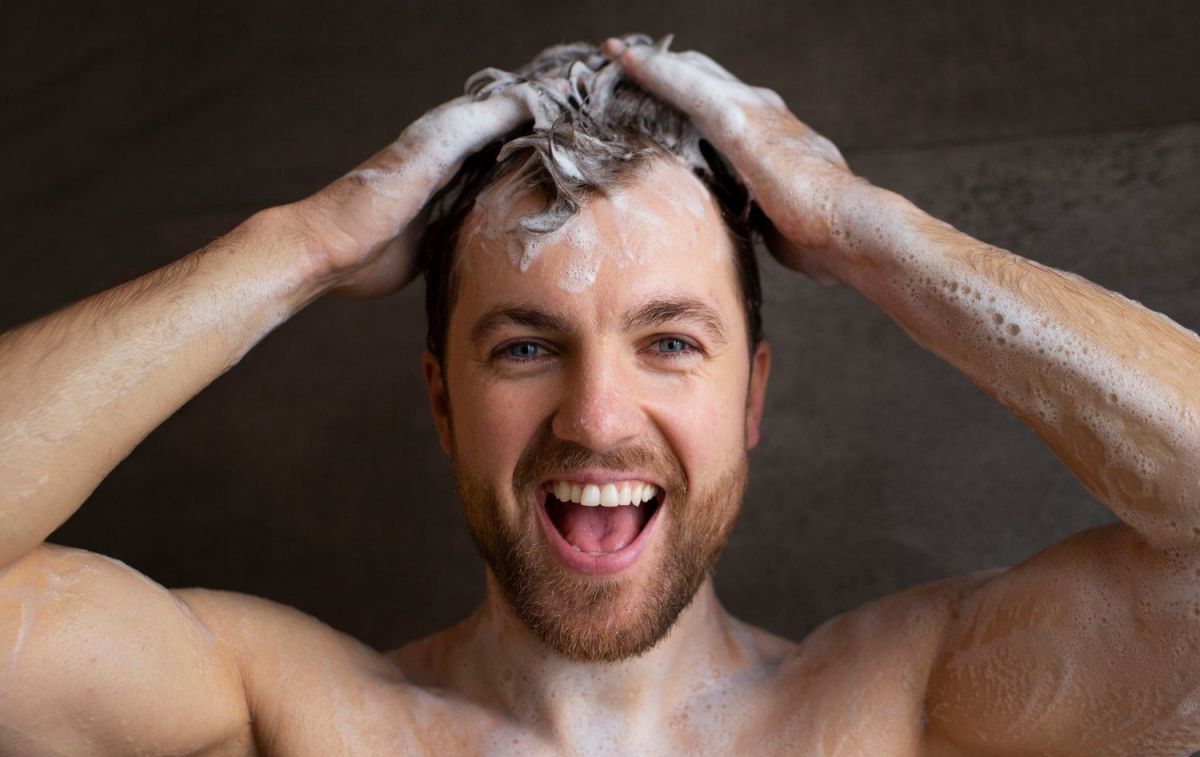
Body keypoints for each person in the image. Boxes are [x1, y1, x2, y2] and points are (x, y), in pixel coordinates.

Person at [1, 33, 1198, 755]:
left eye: (670, 343)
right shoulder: (278, 713)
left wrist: (867, 229)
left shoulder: (912, 711)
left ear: (752, 396)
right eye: (526, 347)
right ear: (440, 398)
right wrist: (298, 247)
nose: (599, 418)